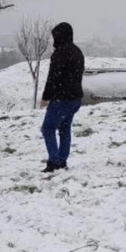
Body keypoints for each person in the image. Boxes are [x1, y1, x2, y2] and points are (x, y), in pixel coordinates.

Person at [40, 22, 85, 173]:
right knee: (65, 129)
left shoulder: (59, 54)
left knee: (48, 128)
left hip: (61, 99)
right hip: (75, 98)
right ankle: (62, 160)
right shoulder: (78, 52)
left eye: (55, 36)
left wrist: (46, 97)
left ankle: (54, 162)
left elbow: (52, 78)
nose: (54, 40)